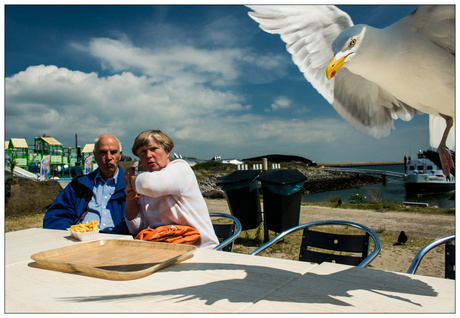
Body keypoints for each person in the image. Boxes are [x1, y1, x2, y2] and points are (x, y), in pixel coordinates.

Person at [123, 130, 219, 249]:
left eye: (153, 149)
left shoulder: (180, 169)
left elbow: (150, 184)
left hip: (201, 250)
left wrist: (131, 180)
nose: (148, 155)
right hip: (166, 252)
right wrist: (130, 196)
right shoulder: (145, 183)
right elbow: (135, 227)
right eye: (142, 152)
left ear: (167, 151)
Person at [43, 134, 130, 234]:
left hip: (116, 241)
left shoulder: (131, 186)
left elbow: (139, 222)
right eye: (103, 152)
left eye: (113, 152)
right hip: (81, 241)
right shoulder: (79, 185)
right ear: (95, 156)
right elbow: (56, 215)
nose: (108, 157)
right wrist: (68, 235)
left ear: (120, 155)